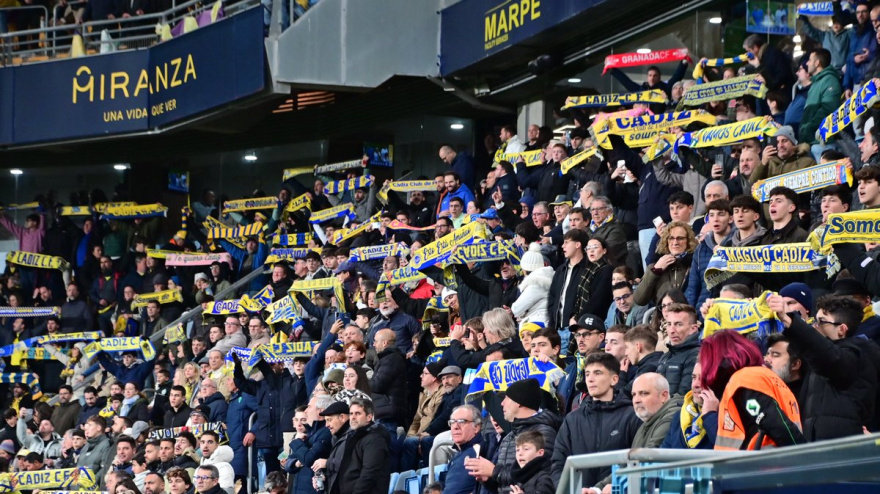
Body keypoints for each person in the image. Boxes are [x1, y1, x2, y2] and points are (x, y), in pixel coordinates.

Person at [767, 293, 878, 441]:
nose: (815, 326)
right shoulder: (819, 359)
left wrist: (789, 320)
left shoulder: (857, 355)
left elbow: (830, 357)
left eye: (822, 322)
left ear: (841, 329)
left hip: (844, 451)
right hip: (818, 451)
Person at [699, 330, 805, 450]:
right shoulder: (761, 376)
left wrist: (803, 458)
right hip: (773, 462)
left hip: (765, 464)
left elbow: (775, 424)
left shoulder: (745, 380)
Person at [551, 353, 641, 487]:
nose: (590, 379)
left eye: (597, 373)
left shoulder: (632, 415)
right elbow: (558, 463)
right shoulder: (572, 419)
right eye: (587, 374)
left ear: (614, 380)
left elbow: (638, 460)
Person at [463, 378, 560, 494]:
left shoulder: (544, 432)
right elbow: (504, 485)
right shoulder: (508, 437)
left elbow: (539, 475)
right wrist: (488, 479)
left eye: (506, 398)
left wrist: (494, 471)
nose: (502, 403)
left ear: (518, 402)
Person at [591, 373, 682, 493]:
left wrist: (618, 484)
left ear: (664, 396)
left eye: (644, 393)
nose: (637, 400)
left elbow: (650, 458)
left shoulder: (672, 417)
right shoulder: (647, 422)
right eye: (634, 395)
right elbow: (629, 463)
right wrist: (598, 488)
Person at [323, 399, 390, 494]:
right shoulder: (353, 437)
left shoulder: (375, 439)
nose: (353, 417)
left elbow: (369, 473)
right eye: (351, 414)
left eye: (357, 413)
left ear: (369, 417)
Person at [633, 222, 695, 306]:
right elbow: (639, 299)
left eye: (680, 238)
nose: (675, 242)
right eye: (671, 238)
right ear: (666, 241)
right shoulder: (656, 266)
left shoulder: (695, 264)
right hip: (661, 316)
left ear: (688, 241)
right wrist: (655, 271)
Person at [660, 362, 718, 450]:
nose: (695, 384)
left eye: (703, 378)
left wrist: (710, 416)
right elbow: (662, 456)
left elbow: (729, 449)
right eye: (694, 378)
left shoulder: (726, 416)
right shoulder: (678, 417)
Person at [547, 229, 590, 331]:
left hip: (578, 328)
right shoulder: (560, 270)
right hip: (558, 328)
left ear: (577, 245)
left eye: (566, 242)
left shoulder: (588, 270)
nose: (562, 246)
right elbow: (552, 297)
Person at [799, 49, 843, 148]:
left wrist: (808, 128)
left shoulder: (830, 81)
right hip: (812, 140)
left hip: (822, 143)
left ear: (817, 63)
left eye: (810, 60)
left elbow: (828, 109)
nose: (807, 63)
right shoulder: (817, 82)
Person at [655, 304, 701, 396]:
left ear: (693, 329)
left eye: (678, 324)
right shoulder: (666, 356)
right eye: (669, 324)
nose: (671, 330)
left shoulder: (696, 355)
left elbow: (684, 396)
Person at [442, 405, 483, 494]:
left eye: (462, 421)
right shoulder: (458, 454)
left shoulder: (476, 452)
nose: (455, 426)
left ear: (476, 427)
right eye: (452, 422)